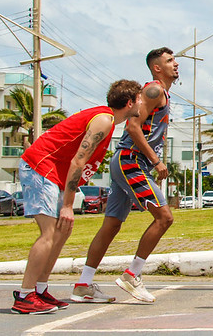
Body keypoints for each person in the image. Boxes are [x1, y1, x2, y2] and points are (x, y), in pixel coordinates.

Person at [12, 80, 142, 314]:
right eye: (140, 98)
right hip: (40, 167)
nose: (144, 102)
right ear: (130, 102)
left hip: (54, 174)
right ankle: (24, 296)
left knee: (62, 230)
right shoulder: (104, 120)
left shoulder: (108, 122)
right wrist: (68, 206)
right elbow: (78, 161)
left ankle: (40, 290)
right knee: (49, 232)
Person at [72, 48, 177, 304]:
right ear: (157, 68)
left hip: (125, 161)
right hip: (131, 161)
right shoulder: (154, 90)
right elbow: (132, 125)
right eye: (170, 61)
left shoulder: (160, 92)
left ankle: (83, 284)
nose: (176, 65)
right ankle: (132, 275)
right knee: (164, 218)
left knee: (112, 224)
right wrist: (156, 160)